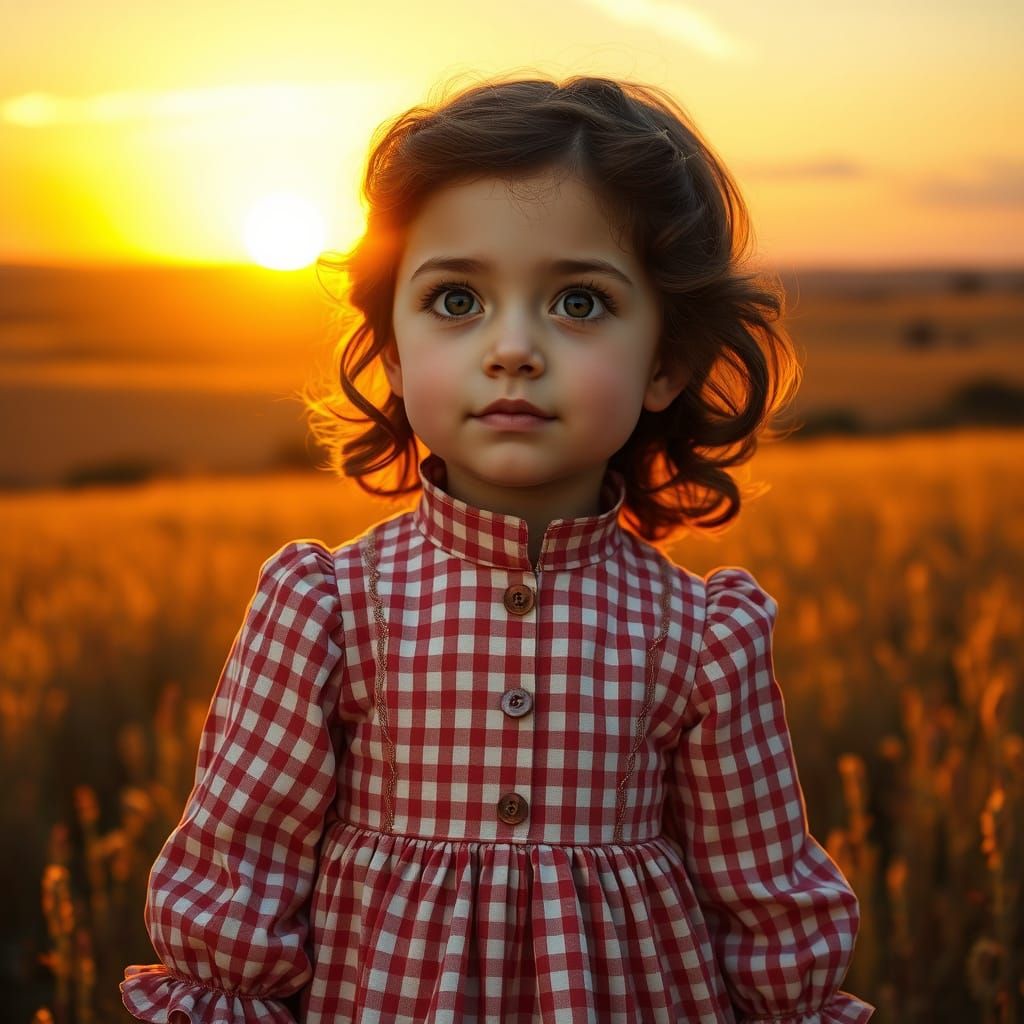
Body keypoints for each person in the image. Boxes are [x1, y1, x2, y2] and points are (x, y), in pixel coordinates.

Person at [121, 74, 874, 1023]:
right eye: (457, 299)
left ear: (667, 362)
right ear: (392, 350)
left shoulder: (702, 633)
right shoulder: (328, 608)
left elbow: (763, 902)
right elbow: (244, 873)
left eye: (581, 303)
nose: (513, 346)